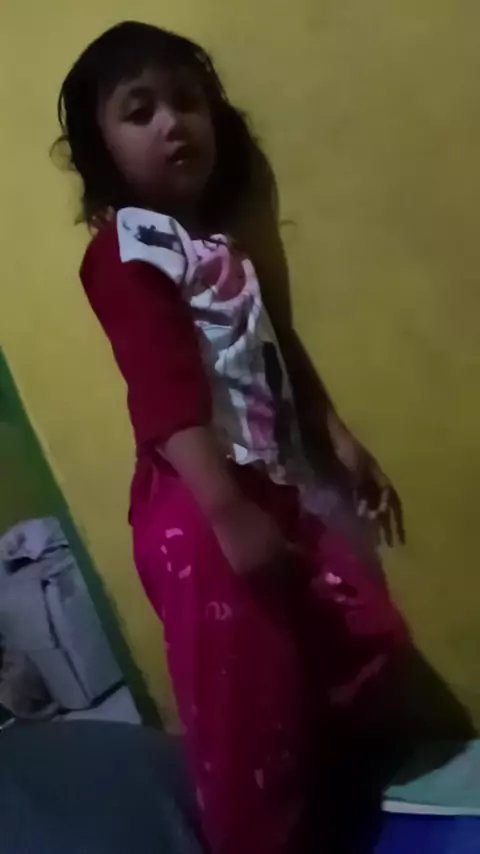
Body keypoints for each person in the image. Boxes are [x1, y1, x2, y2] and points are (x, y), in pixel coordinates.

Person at [56, 21, 408, 854]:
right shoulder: (124, 248)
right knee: (245, 713)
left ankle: (322, 798)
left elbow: (274, 347)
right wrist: (224, 511)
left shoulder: (218, 249)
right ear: (103, 150)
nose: (172, 123)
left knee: (360, 639)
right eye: (140, 111)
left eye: (187, 102)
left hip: (262, 485)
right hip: (197, 504)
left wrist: (335, 435)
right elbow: (163, 388)